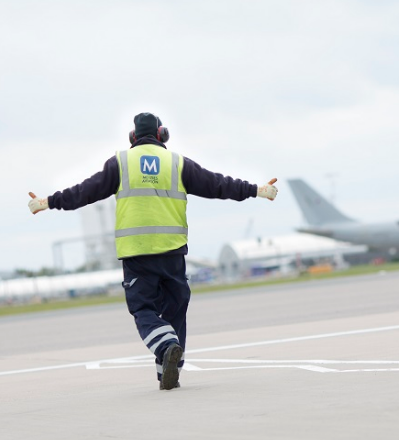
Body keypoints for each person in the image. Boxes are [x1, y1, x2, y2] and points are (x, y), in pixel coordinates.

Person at [27, 113, 278, 391]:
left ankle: (166, 349)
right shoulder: (177, 163)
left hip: (137, 254)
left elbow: (85, 192)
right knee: (175, 310)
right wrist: (257, 190)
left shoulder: (120, 163)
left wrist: (48, 201)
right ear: (163, 134)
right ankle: (168, 372)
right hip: (172, 253)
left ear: (133, 138)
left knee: (144, 309)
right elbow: (218, 184)